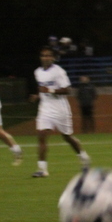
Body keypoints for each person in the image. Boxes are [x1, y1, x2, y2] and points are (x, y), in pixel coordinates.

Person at [30, 46, 91, 177]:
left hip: (60, 109)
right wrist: (38, 95)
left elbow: (67, 90)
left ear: (53, 58)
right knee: (41, 135)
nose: (45, 58)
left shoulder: (58, 71)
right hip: (45, 108)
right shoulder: (37, 72)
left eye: (48, 55)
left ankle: (83, 156)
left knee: (67, 137)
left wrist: (50, 90)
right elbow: (42, 89)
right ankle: (42, 169)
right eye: (43, 55)